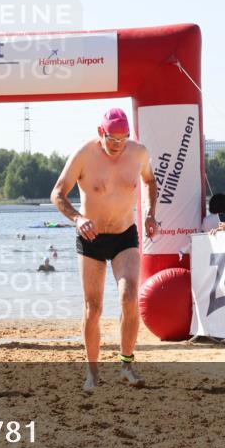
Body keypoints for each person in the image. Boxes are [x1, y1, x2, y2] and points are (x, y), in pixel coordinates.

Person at [50, 107, 158, 391]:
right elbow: (58, 193)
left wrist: (149, 213)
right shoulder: (84, 154)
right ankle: (93, 372)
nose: (118, 146)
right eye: (112, 139)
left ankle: (126, 364)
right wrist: (78, 218)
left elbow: (149, 181)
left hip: (125, 234)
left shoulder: (139, 153)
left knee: (129, 296)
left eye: (123, 140)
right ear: (101, 133)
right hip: (91, 236)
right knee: (93, 307)